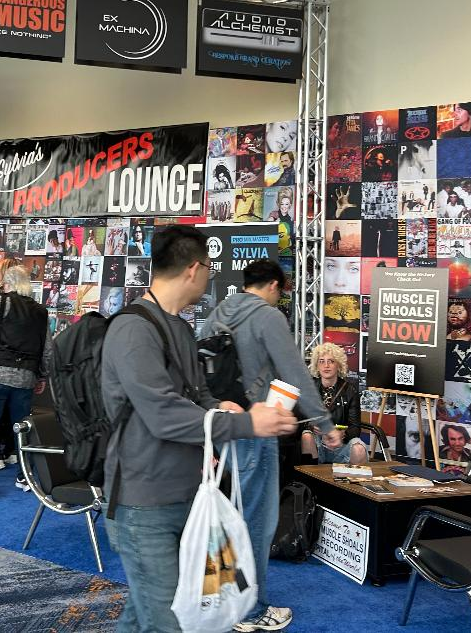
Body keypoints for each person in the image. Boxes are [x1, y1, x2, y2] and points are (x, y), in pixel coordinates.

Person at [101, 226, 297, 633]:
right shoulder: (133, 328)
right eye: (209, 268)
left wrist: (217, 406)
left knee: (146, 615)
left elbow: (196, 394)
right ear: (194, 269)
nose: (210, 277)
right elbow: (164, 414)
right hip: (143, 503)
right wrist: (245, 422)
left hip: (185, 495)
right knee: (170, 622)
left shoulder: (180, 326)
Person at [202, 259, 339, 633]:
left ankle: (220, 594)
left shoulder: (219, 312)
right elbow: (296, 373)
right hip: (255, 428)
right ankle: (248, 610)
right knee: (255, 522)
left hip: (220, 425)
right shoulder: (268, 317)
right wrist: (324, 423)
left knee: (226, 516)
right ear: (276, 286)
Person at [0, 266, 51, 499]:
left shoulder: (0, 302)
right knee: (22, 429)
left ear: (7, 283)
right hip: (26, 378)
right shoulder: (41, 311)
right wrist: (41, 376)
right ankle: (25, 478)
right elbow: (47, 350)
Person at [301, 343, 366, 466]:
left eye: (331, 361)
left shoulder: (350, 390)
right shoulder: (309, 388)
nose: (326, 365)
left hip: (341, 444)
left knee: (359, 448)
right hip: (317, 443)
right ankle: (308, 483)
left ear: (338, 365)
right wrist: (310, 426)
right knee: (306, 436)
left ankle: (353, 484)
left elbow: (355, 428)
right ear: (316, 365)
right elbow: (299, 420)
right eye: (321, 361)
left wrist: (343, 435)